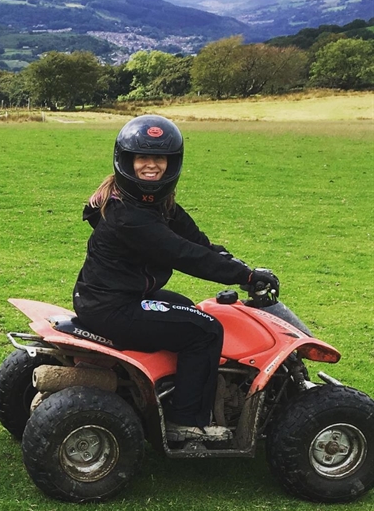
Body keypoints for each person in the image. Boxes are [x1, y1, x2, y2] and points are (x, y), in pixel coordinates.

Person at [72, 115, 278, 441]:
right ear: (127, 160)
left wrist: (237, 265)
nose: (151, 165)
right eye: (143, 158)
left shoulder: (154, 204)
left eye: (160, 158)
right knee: (206, 330)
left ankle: (169, 388)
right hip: (112, 307)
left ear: (172, 162)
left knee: (186, 308)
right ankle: (186, 422)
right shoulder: (129, 216)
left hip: (107, 298)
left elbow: (197, 241)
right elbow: (183, 254)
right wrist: (247, 276)